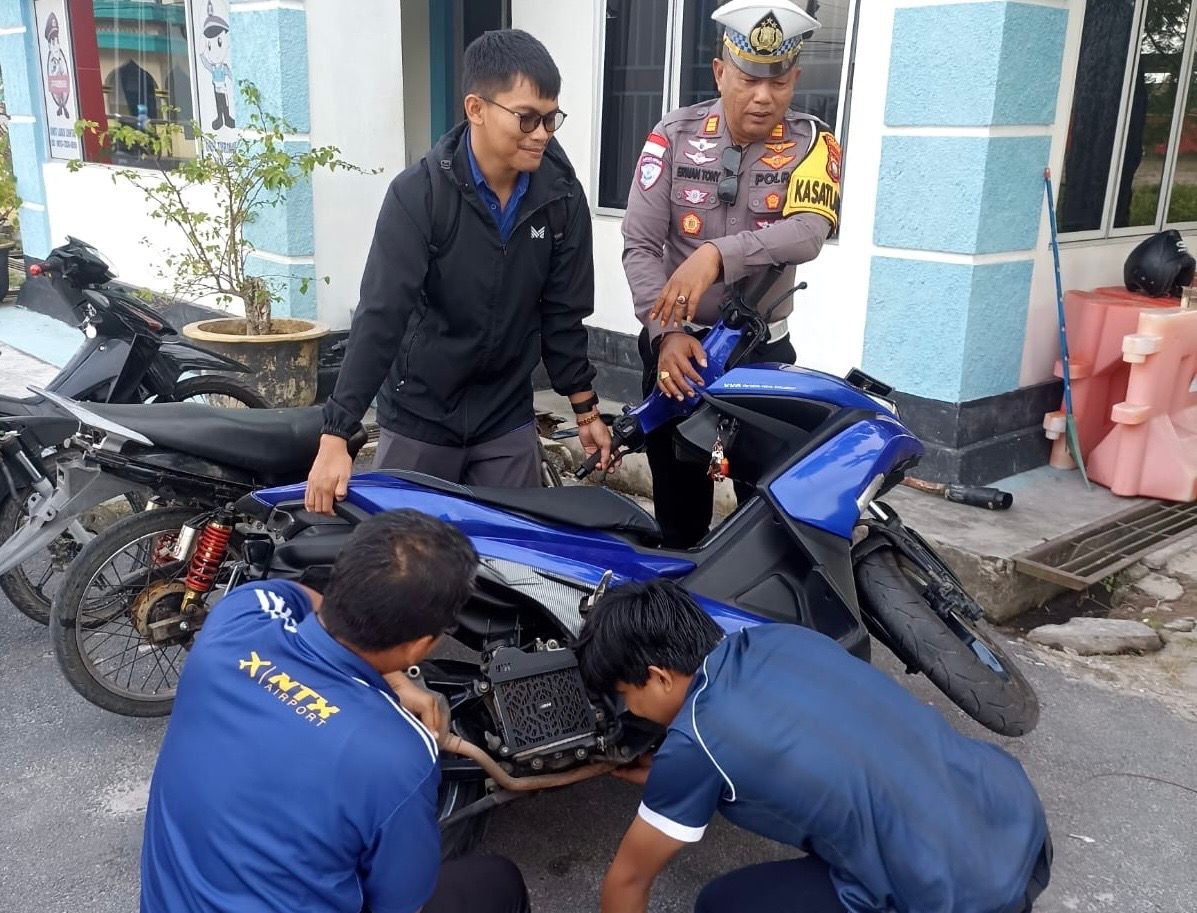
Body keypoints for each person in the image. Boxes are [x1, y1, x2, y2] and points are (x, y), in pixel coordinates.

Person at [575, 580, 1052, 913]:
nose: (630, 710)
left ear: (659, 677)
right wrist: (676, 779)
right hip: (1016, 824)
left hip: (960, 897)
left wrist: (680, 770)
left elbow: (629, 880)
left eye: (626, 695)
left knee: (721, 905)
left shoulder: (695, 741)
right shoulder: (780, 637)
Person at [140, 510, 529, 913]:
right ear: (421, 646)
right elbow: (401, 906)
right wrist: (398, 682)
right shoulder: (397, 754)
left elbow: (296, 596)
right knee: (497, 881)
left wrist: (396, 680)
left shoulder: (235, 624)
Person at [307, 29, 612, 513]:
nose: (541, 134)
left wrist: (586, 410)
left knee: (511, 553)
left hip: (505, 416)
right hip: (420, 415)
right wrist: (336, 434)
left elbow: (562, 313)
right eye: (527, 118)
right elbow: (382, 315)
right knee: (407, 552)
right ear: (476, 109)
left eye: (551, 118)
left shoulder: (561, 196)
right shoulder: (420, 194)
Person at [622, 0, 842, 547]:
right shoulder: (674, 136)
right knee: (680, 520)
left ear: (794, 79)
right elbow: (640, 245)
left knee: (769, 519)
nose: (764, 97)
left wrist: (717, 254)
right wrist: (666, 332)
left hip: (762, 358)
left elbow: (809, 232)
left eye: (779, 82)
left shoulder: (814, 144)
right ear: (721, 72)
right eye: (748, 80)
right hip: (680, 356)